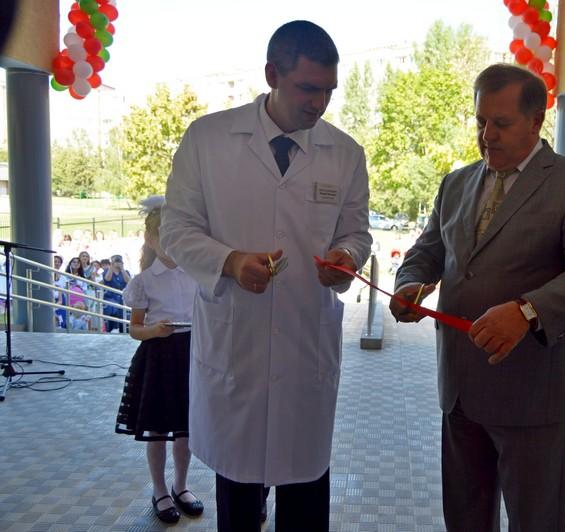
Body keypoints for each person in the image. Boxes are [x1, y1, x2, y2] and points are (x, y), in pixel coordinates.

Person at [391, 63, 565, 531]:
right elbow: (428, 252)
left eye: (501, 123)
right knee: (465, 518)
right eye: (480, 121)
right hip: (460, 389)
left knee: (534, 521)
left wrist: (528, 311)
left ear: (536, 120)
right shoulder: (456, 183)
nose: (487, 136)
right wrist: (408, 284)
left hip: (531, 394)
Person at [160, 20, 372, 532]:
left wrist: (346, 255)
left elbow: (357, 233)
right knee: (238, 499)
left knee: (306, 496)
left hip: (305, 345)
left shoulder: (345, 153)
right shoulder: (208, 139)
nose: (320, 104)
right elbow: (175, 229)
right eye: (308, 88)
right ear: (272, 74)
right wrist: (231, 262)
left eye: (329, 91)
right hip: (238, 345)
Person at [114, 198, 204, 524]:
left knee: (185, 429)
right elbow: (134, 329)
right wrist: (153, 330)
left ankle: (181, 484)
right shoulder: (144, 282)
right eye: (163, 235)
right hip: (158, 358)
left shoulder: (195, 274)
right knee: (156, 429)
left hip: (191, 356)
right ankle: (160, 489)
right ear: (150, 239)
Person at [103, 254, 130, 333]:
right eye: (116, 260)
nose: (117, 262)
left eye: (119, 260)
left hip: (123, 298)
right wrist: (111, 267)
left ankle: (122, 330)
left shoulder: (125, 272)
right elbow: (107, 279)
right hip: (110, 297)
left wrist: (122, 269)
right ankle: (113, 328)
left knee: (123, 313)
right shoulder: (107, 271)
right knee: (113, 308)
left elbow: (129, 281)